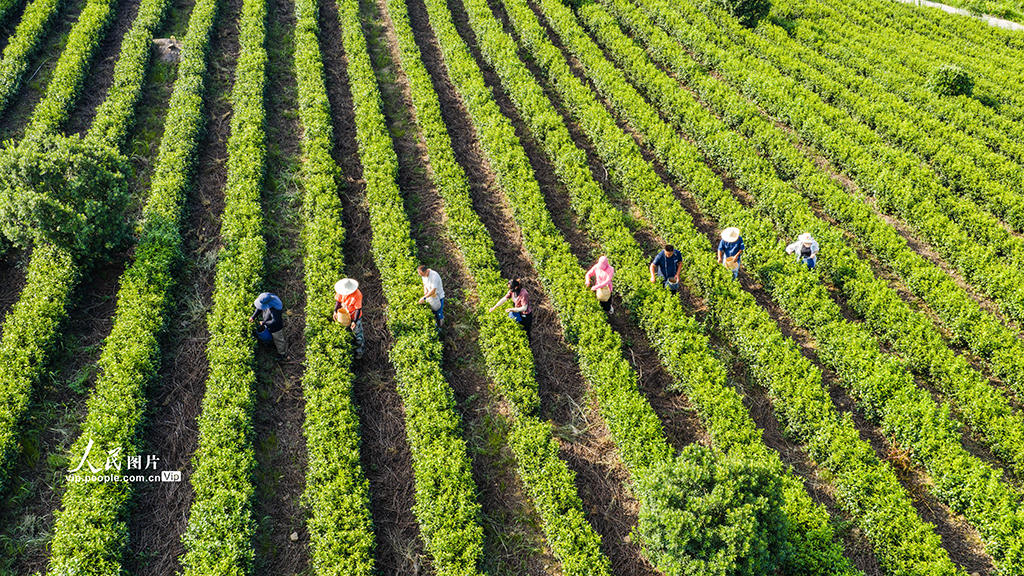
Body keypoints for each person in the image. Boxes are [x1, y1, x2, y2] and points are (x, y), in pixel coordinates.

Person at [249, 292, 286, 360]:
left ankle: (282, 354)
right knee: (269, 336)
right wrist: (253, 317)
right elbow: (259, 308)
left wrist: (264, 323)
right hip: (268, 324)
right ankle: (271, 344)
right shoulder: (267, 302)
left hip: (276, 327)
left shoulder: (275, 309)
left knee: (279, 340)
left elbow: (275, 321)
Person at [334, 278, 364, 359]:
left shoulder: (357, 295)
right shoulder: (341, 291)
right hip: (344, 316)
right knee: (346, 332)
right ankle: (350, 349)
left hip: (354, 316)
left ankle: (359, 351)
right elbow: (338, 302)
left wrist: (354, 321)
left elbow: (358, 309)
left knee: (357, 335)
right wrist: (335, 311)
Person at [417, 264, 445, 330]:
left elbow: (433, 290)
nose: (422, 276)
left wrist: (424, 298)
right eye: (421, 275)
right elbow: (424, 284)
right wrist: (425, 290)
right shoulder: (423, 275)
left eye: (423, 275)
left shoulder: (434, 276)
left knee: (439, 313)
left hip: (438, 296)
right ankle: (435, 326)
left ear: (426, 271)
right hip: (431, 296)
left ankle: (441, 327)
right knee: (433, 312)